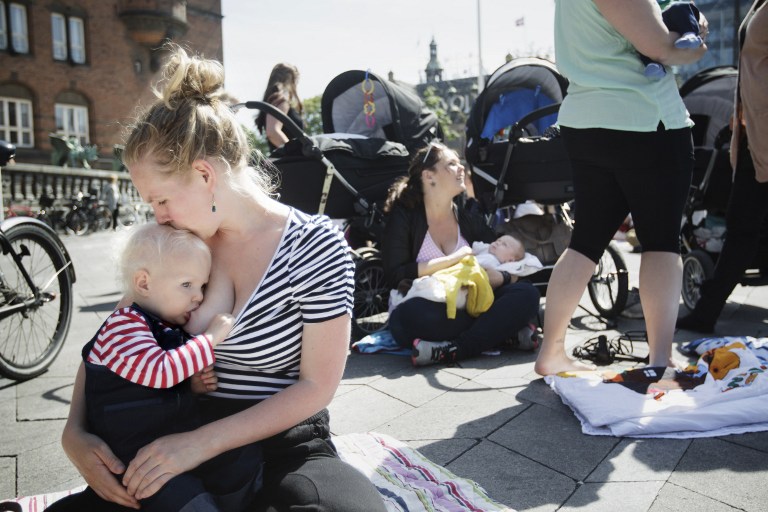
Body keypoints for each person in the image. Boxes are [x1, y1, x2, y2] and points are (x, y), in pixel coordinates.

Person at [54, 45, 387, 512]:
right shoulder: (180, 245)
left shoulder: (315, 246)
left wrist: (200, 443)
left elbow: (316, 387)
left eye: (161, 200)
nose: (158, 216)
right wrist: (76, 431)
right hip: (168, 433)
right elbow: (115, 335)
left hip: (280, 443)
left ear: (204, 173)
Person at [534, 0, 708, 376]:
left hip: (587, 121)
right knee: (661, 242)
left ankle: (551, 351)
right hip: (644, 120)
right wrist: (697, 41)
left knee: (586, 242)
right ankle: (660, 359)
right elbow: (661, 47)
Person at [59, 223, 262, 512]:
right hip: (134, 461)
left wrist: (190, 385)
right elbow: (160, 372)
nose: (199, 297)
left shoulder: (163, 325)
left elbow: (157, 382)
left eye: (202, 286)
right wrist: (210, 338)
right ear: (143, 283)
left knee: (241, 462)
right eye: (186, 285)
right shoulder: (123, 326)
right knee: (187, 501)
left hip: (171, 443)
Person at [382, 141, 541, 367]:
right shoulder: (405, 217)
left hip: (472, 304)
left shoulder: (466, 219)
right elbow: (395, 275)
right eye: (452, 164)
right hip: (431, 307)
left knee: (527, 294)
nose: (461, 169)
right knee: (411, 318)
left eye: (460, 163)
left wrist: (503, 277)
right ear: (429, 176)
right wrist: (452, 260)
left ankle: (456, 349)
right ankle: (499, 334)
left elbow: (512, 259)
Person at [676, 0, 768, 334]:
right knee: (741, 228)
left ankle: (706, 313)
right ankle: (706, 312)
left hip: (762, 132)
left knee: (741, 229)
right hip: (752, 134)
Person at [640, 1, 703, 78]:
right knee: (641, 34)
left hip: (673, 15)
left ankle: (690, 34)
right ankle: (651, 64)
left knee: (679, 7)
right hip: (656, 22)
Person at [255, 63, 303, 152]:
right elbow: (273, 132)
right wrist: (295, 153)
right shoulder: (280, 100)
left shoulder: (272, 101)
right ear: (291, 80)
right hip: (288, 162)